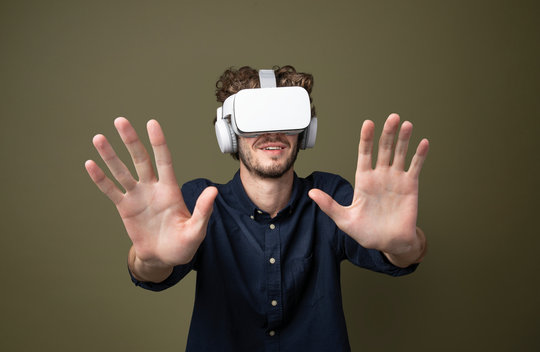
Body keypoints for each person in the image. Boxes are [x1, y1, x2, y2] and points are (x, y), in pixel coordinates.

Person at [85, 65, 429, 351]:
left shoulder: (329, 197)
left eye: (285, 116)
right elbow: (150, 271)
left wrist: (404, 245)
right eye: (255, 119)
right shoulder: (201, 203)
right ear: (228, 133)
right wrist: (150, 260)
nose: (272, 131)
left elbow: (401, 253)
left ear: (306, 131)